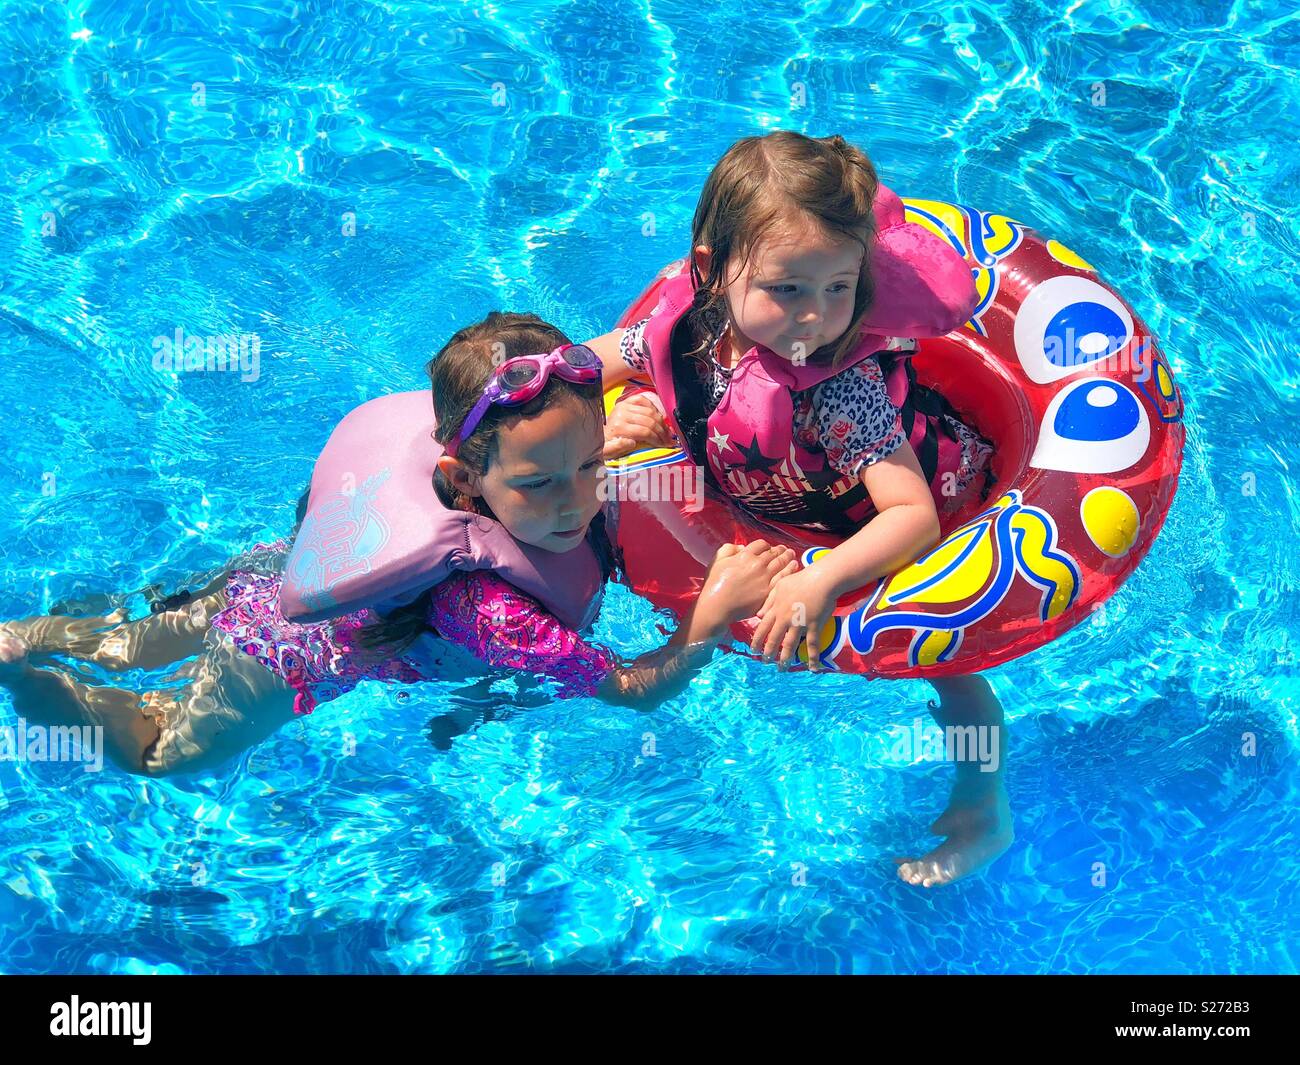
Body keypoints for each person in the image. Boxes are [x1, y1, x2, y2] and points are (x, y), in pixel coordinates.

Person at [0, 311, 796, 778]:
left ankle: (39, 633)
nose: (577, 499)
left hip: (274, 568)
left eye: (589, 466)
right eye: (541, 482)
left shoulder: (518, 469)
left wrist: (610, 441)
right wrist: (706, 623)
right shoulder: (484, 604)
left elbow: (570, 449)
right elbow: (629, 689)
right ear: (463, 474)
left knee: (126, 640)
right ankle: (29, 683)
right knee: (163, 753)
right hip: (274, 656)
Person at [587, 131, 1010, 887]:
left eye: (837, 288)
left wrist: (821, 580)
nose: (815, 319)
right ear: (714, 273)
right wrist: (604, 419)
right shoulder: (690, 325)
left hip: (888, 520)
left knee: (956, 667)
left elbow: (911, 517)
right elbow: (604, 357)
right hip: (768, 499)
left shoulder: (840, 386)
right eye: (787, 289)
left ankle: (984, 806)